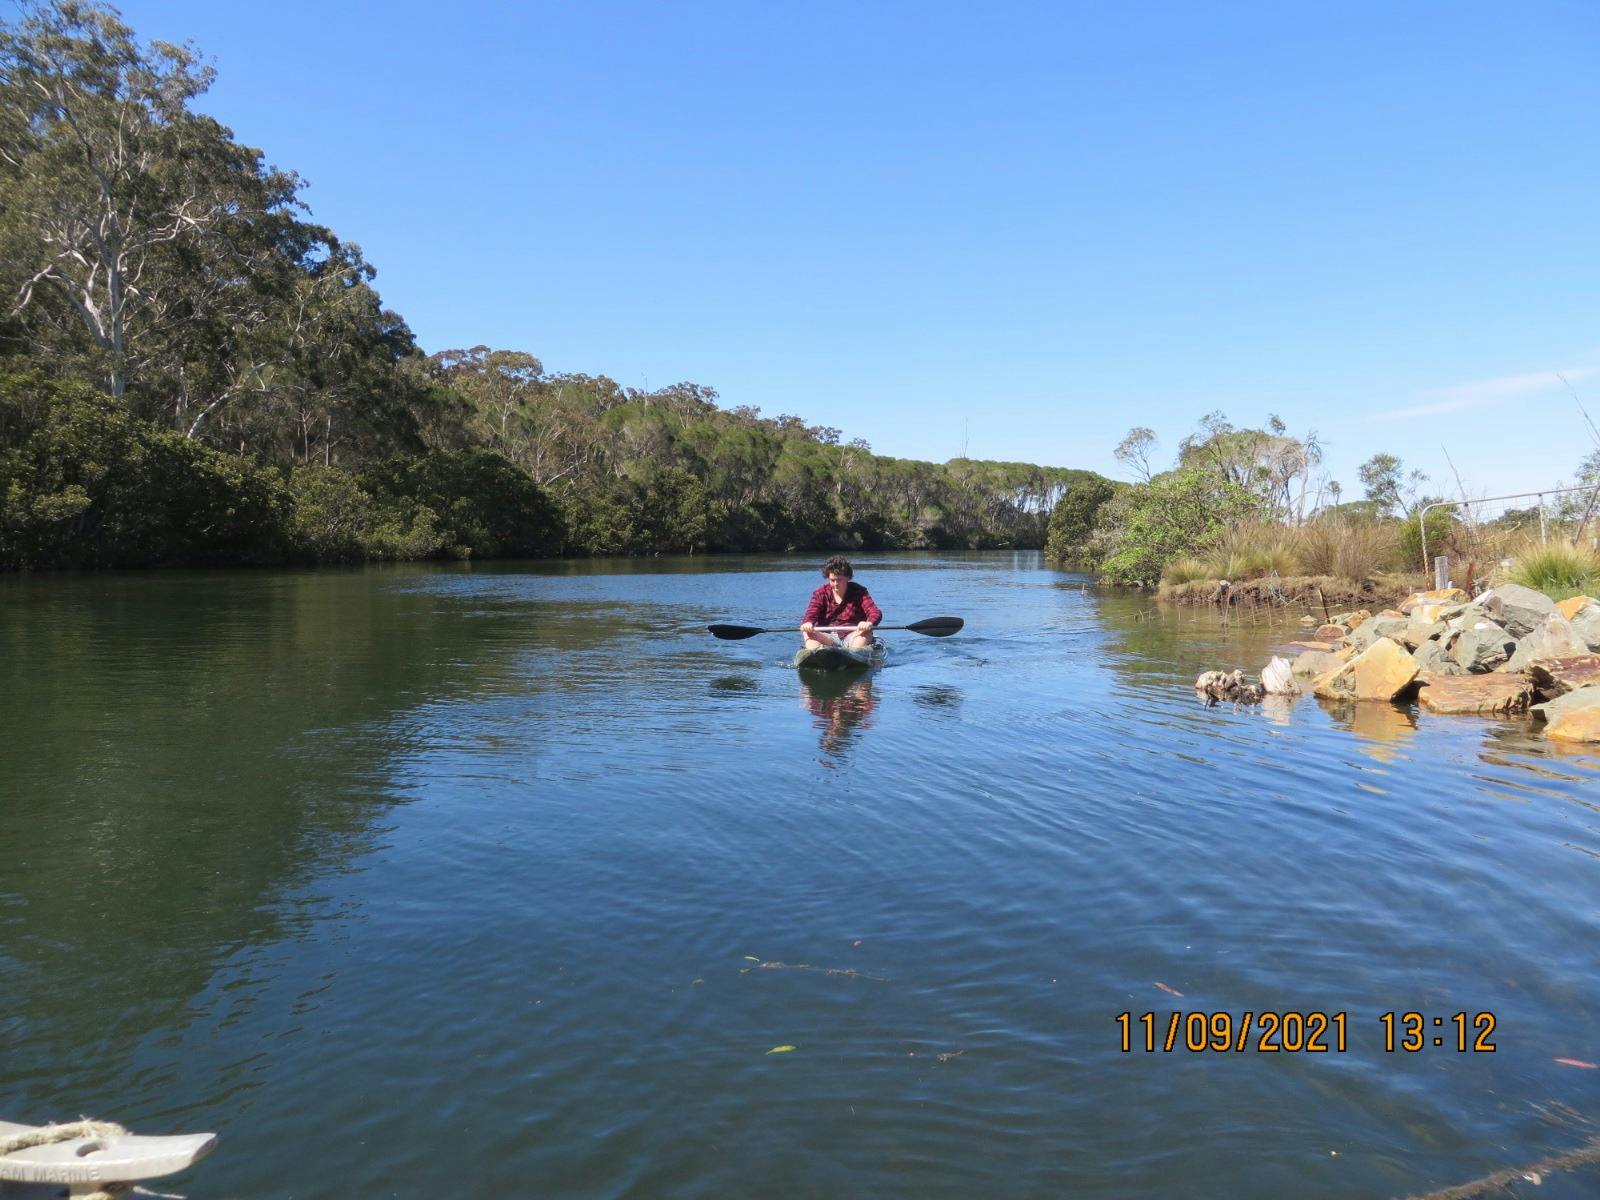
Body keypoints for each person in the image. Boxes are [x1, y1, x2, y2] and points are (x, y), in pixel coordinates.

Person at [800, 555, 882, 650]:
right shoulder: (820, 593)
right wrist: (808, 623)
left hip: (853, 636)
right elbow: (811, 614)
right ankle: (816, 655)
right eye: (832, 580)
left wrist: (869, 623)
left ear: (847, 578)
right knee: (807, 632)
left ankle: (855, 654)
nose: (835, 584)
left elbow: (875, 612)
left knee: (867, 632)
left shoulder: (859, 591)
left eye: (839, 580)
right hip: (827, 638)